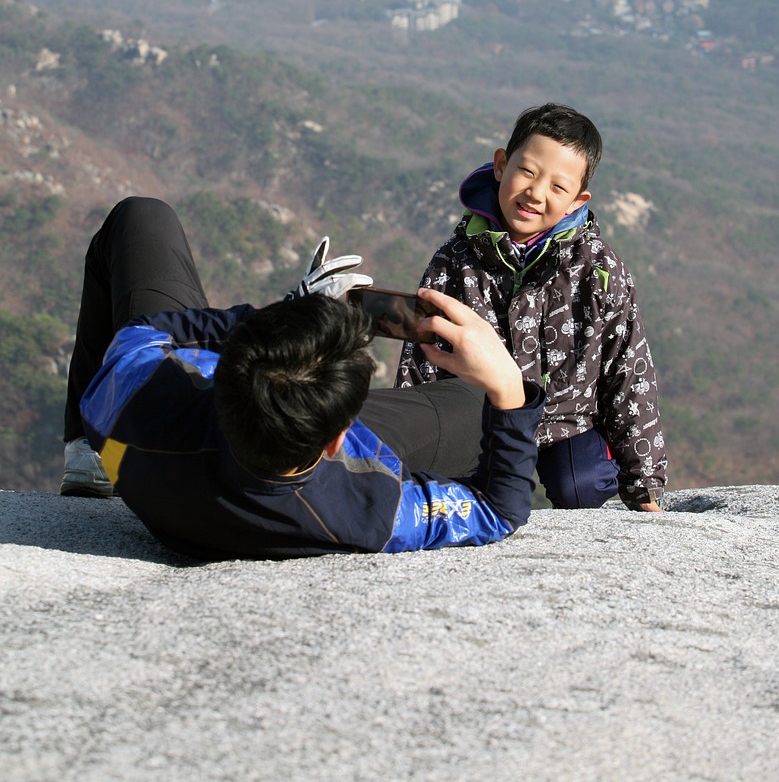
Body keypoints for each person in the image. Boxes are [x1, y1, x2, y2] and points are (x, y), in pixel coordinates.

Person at [61, 197, 545, 559]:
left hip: (166, 456)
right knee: (472, 406)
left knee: (140, 215)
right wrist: (507, 387)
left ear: (223, 374)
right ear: (339, 439)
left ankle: (88, 456)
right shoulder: (368, 510)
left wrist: (283, 320)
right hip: (297, 459)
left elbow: (144, 332)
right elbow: (498, 512)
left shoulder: (131, 394)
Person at [396, 103, 667, 512]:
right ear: (501, 165)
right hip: (482, 416)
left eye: (558, 188)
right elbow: (423, 358)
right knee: (482, 497)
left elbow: (628, 370)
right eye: (527, 172)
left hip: (567, 420)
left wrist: (644, 487)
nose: (536, 193)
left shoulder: (597, 267)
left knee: (583, 485)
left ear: (578, 200)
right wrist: (407, 461)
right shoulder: (455, 261)